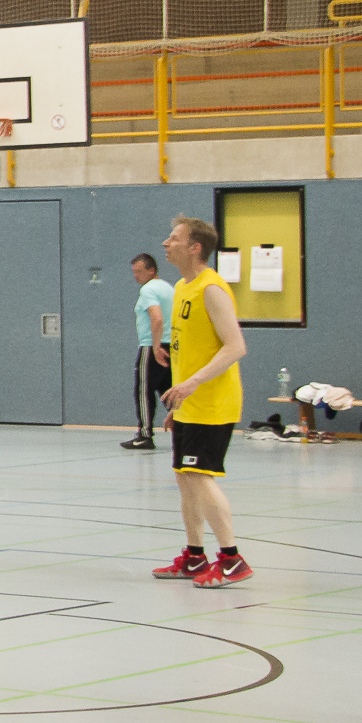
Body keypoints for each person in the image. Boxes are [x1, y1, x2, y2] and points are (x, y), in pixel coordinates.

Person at [153, 216, 253, 588]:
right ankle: (195, 556)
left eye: (174, 238)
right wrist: (180, 400)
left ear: (195, 247)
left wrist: (193, 384)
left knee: (198, 475)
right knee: (185, 477)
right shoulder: (183, 287)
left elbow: (236, 346)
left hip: (213, 402)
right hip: (190, 404)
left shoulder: (212, 289)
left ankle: (232, 559)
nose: (166, 243)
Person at [122, 253, 175, 449]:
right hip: (172, 346)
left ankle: (144, 435)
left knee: (143, 391)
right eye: (133, 272)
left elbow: (157, 318)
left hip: (152, 346)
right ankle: (187, 428)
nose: (135, 276)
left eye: (139, 271)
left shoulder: (148, 289)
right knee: (169, 390)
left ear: (151, 270)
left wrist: (155, 345)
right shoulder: (169, 288)